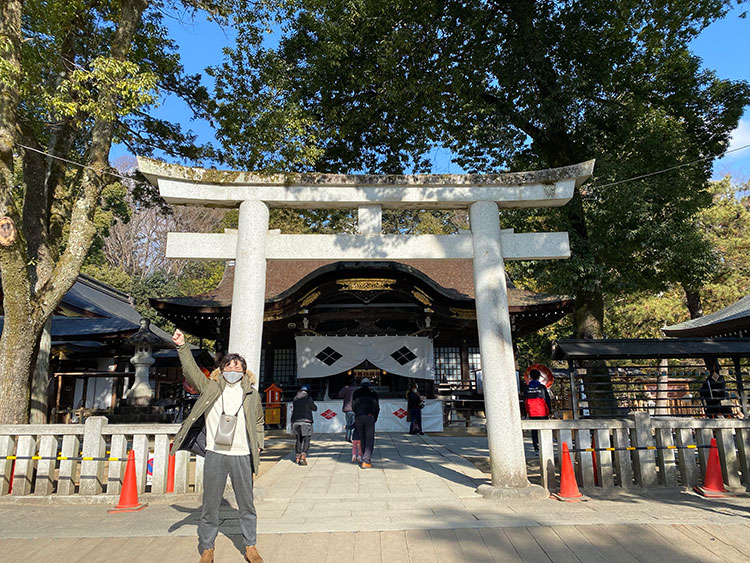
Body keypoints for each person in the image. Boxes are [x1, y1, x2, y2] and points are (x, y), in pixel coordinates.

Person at [170, 329, 265, 563]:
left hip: (242, 454)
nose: (233, 371)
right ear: (221, 370)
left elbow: (259, 421)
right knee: (209, 504)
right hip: (215, 452)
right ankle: (207, 547)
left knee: (246, 503)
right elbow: (191, 371)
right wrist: (182, 346)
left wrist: (259, 445)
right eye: (229, 367)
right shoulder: (210, 388)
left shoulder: (252, 395)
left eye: (237, 367)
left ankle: (250, 546)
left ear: (244, 371)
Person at [352, 377, 379, 469]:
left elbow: (353, 406)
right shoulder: (373, 393)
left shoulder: (356, 393)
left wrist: (357, 414)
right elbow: (376, 407)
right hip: (369, 416)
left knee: (362, 438)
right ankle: (366, 460)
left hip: (359, 417)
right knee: (369, 439)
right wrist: (374, 417)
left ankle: (364, 457)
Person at [523, 368, 551, 452]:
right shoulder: (542, 387)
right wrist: (549, 411)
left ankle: (536, 448)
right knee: (544, 429)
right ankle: (545, 447)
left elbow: (525, 401)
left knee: (534, 431)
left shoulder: (526, 388)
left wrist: (526, 413)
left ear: (530, 377)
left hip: (532, 412)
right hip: (542, 412)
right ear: (539, 377)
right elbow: (547, 400)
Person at [291, 384, 317, 465]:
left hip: (295, 421)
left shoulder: (295, 398)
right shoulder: (308, 398)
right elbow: (314, 408)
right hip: (306, 421)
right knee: (306, 439)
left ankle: (297, 457)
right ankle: (303, 456)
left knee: (298, 440)